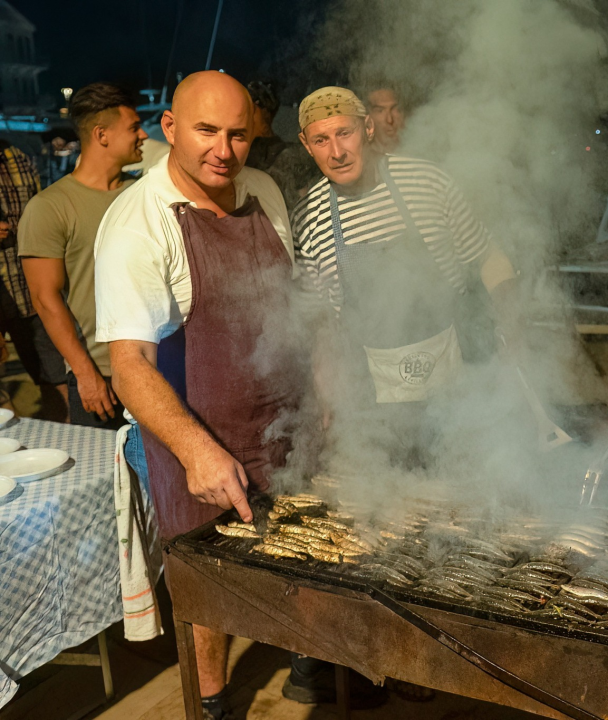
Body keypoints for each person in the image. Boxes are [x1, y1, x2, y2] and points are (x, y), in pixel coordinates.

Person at [288, 86, 518, 703]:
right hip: (372, 388)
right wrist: (329, 392)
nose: (337, 151)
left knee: (454, 510)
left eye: (345, 133)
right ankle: (396, 651)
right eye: (321, 140)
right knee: (388, 519)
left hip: (450, 376)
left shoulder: (426, 182)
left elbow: (488, 259)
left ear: (366, 128)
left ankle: (454, 646)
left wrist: (516, 331)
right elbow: (322, 322)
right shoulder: (311, 213)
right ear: (307, 147)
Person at [94, 71, 296, 720]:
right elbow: (128, 366)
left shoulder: (262, 191)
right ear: (170, 129)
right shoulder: (138, 223)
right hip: (195, 434)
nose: (223, 149)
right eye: (207, 131)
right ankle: (210, 698)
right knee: (209, 586)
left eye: (238, 133)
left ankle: (309, 659)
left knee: (299, 554)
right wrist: (196, 452)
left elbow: (293, 308)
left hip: (281, 419)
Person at [19, 82, 147, 429]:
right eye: (134, 127)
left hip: (156, 368)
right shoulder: (49, 207)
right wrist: (85, 373)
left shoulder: (146, 195)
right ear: (102, 134)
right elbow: (46, 299)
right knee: (107, 478)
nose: (144, 135)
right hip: (100, 375)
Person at [0, 140, 69, 421]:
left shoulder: (16, 157)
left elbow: (37, 213)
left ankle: (65, 446)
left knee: (56, 379)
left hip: (29, 290)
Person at [244, 79, 320, 211]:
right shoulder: (239, 154)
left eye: (250, 109)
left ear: (265, 112)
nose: (244, 116)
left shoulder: (289, 155)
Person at [364, 84, 406, 154]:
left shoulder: (422, 149)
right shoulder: (362, 157)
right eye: (380, 111)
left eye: (394, 109)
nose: (389, 120)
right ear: (368, 118)